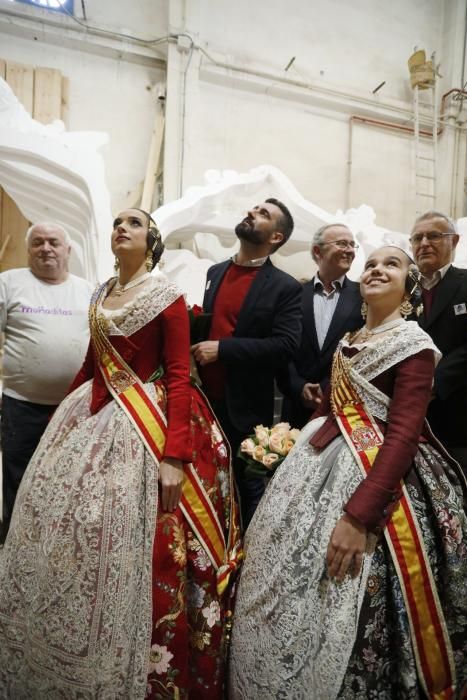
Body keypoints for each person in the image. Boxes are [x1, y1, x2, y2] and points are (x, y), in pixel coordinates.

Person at [0, 209, 241, 699]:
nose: (121, 228)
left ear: (150, 239)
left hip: (148, 426)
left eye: (133, 222)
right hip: (96, 417)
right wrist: (58, 430)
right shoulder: (100, 293)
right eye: (116, 223)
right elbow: (92, 366)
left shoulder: (166, 295)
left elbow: (178, 374)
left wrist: (175, 456)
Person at [229, 246, 467, 699]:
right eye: (371, 264)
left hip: (379, 478)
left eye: (392, 265)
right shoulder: (350, 340)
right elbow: (335, 408)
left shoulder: (413, 345)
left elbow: (403, 433)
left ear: (409, 291)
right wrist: (289, 441)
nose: (377, 269)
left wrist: (360, 516)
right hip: (315, 467)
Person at [191, 198, 302, 528]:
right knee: (205, 486)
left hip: (245, 410)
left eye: (263, 214)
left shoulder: (285, 287)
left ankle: (247, 566)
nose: (252, 213)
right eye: (254, 209)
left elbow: (284, 346)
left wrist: (222, 350)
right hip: (203, 402)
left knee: (247, 490)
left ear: (276, 238)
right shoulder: (215, 272)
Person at [0, 223, 92, 541]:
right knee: (20, 479)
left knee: (68, 480)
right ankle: (15, 545)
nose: (46, 248)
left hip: (74, 410)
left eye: (54, 242)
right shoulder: (8, 283)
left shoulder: (87, 290)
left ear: (68, 250)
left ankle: (57, 547)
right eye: (37, 242)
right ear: (29, 250)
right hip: (20, 405)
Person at [280, 223, 363, 428]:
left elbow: (362, 350)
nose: (350, 250)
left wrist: (326, 387)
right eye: (342, 243)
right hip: (296, 406)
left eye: (353, 245)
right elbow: (282, 347)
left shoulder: (363, 297)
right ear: (318, 251)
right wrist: (299, 386)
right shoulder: (294, 294)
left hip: (343, 405)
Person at [410, 211, 467, 476]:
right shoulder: (403, 289)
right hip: (407, 420)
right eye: (417, 237)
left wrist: (435, 381)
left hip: (457, 418)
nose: (424, 243)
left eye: (433, 235)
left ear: (454, 241)